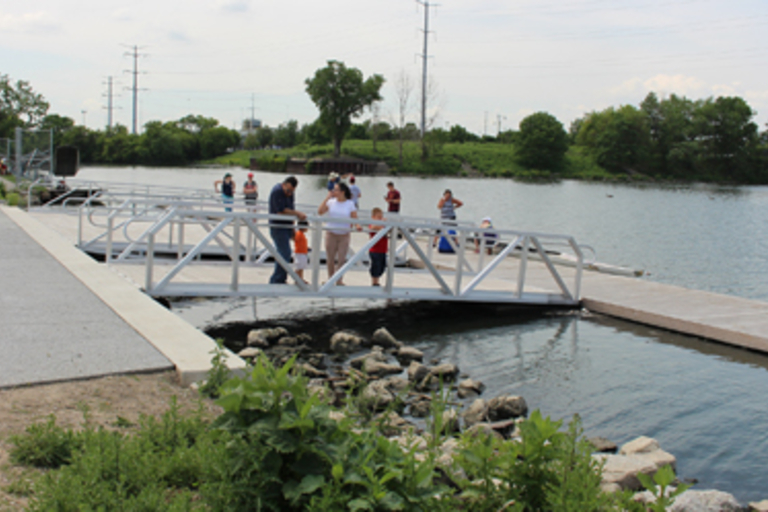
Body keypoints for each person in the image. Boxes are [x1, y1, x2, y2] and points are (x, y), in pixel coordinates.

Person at [318, 182, 358, 285]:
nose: (333, 192)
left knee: (341, 258)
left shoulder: (350, 204)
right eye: (333, 190)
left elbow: (354, 217)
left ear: (342, 192)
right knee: (330, 258)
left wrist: (357, 225)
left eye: (336, 190)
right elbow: (320, 211)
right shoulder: (331, 202)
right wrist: (327, 198)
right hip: (331, 233)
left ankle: (339, 280)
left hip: (344, 234)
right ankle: (331, 279)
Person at [268, 176, 306, 284]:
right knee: (285, 252)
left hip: (287, 226)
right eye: (288, 191)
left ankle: (280, 279)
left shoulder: (290, 193)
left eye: (292, 191)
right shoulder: (277, 191)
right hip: (277, 226)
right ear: (283, 185)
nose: (289, 194)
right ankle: (276, 280)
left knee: (284, 253)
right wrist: (298, 213)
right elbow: (280, 210)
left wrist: (292, 228)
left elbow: (290, 208)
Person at [368, 207, 388, 286]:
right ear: (373, 217)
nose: (380, 219)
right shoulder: (372, 224)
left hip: (383, 250)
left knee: (382, 266)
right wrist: (382, 226)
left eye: (381, 217)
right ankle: (375, 282)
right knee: (376, 265)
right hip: (375, 250)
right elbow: (373, 227)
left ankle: (376, 279)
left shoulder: (383, 226)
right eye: (379, 217)